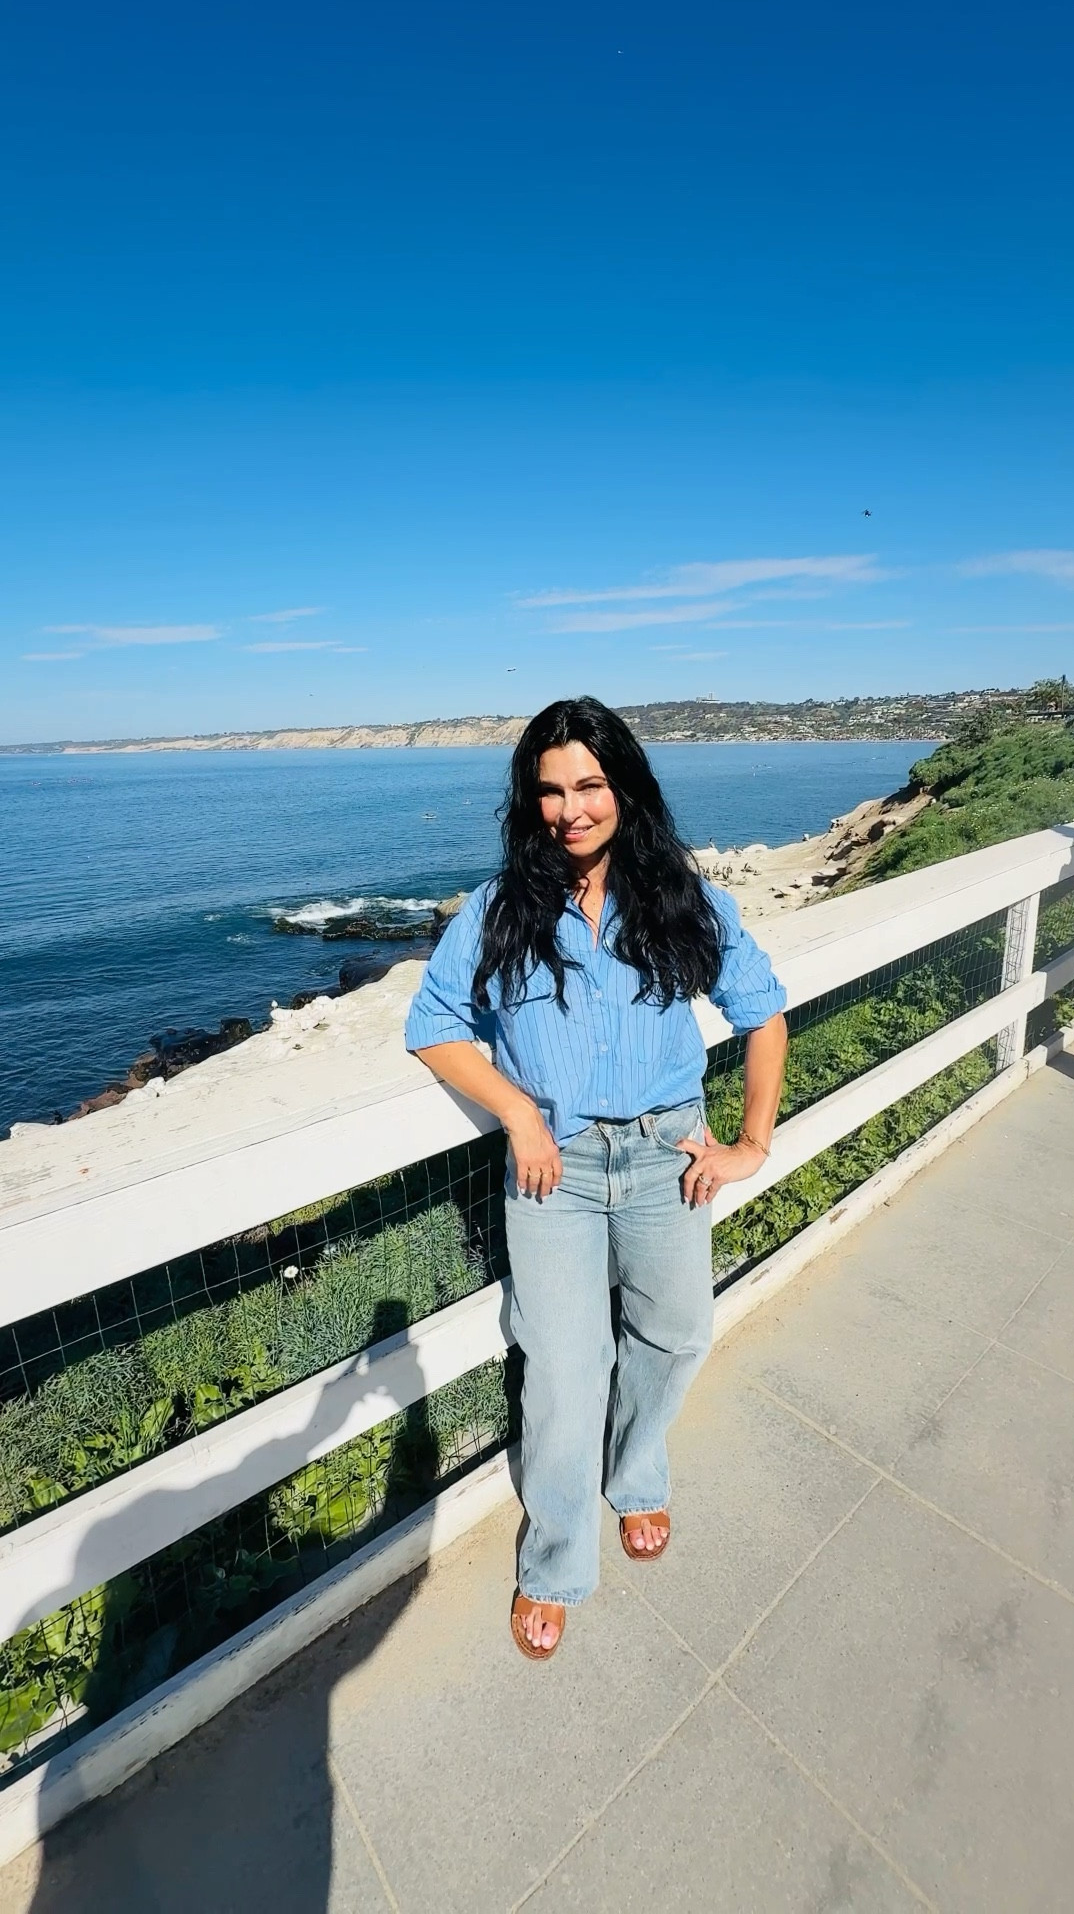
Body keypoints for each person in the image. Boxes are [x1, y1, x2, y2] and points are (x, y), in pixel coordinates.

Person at [405, 697, 787, 1660]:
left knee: (676, 1333)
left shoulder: (684, 900)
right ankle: (557, 1562)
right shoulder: (498, 912)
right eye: (549, 790)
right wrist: (521, 1110)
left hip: (668, 1156)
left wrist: (751, 1142)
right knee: (566, 1372)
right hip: (556, 1173)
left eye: (588, 786)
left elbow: (763, 1013)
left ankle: (639, 1472)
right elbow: (434, 1026)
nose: (569, 809)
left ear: (624, 788)